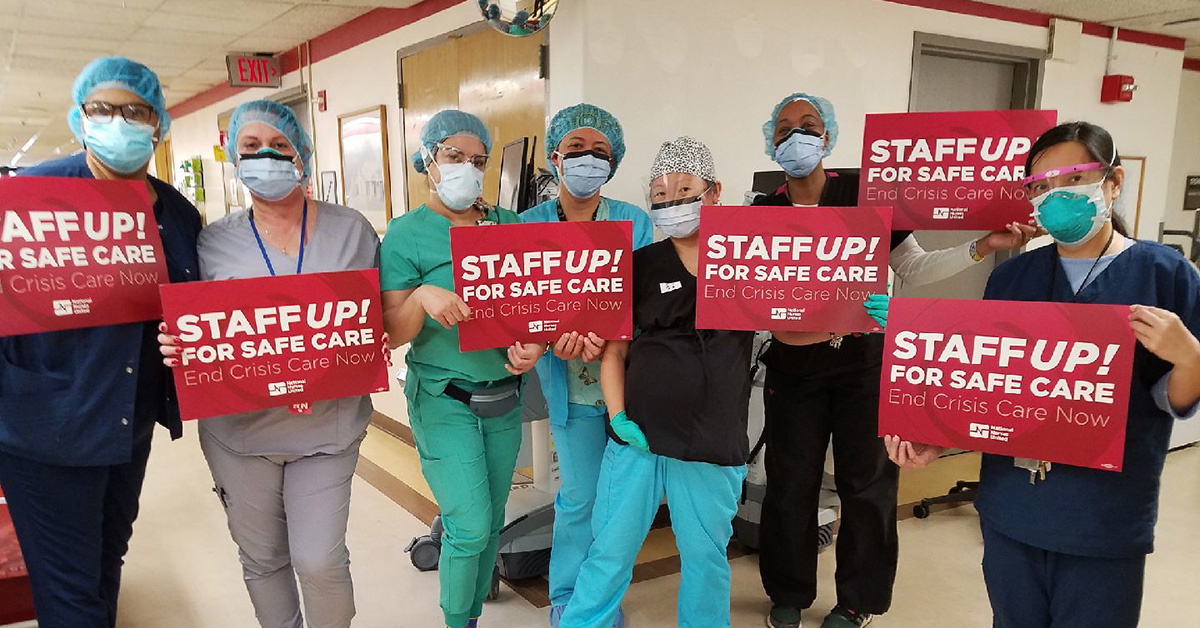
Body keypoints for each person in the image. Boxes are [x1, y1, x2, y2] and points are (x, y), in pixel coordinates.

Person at [885, 121, 1200, 628]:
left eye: (1072, 180)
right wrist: (937, 440)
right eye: (1040, 187)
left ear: (1113, 182)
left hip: (1102, 513)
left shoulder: (1163, 274)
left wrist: (1191, 358)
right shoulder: (1013, 276)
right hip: (1013, 507)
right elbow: (988, 387)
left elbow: (1170, 397)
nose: (1055, 197)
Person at [755, 92, 1040, 628]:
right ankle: (788, 592)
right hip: (793, 369)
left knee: (869, 483)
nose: (797, 137)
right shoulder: (762, 213)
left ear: (828, 134)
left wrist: (980, 246)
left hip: (864, 364)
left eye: (808, 125)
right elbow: (751, 297)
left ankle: (859, 599)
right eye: (785, 128)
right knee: (790, 483)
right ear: (771, 142)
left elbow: (912, 268)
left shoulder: (866, 195)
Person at [156, 100, 380, 628]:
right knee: (262, 560)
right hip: (239, 436)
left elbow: (379, 317)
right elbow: (194, 326)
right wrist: (178, 344)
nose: (266, 158)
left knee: (320, 558)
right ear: (233, 159)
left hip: (328, 428)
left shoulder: (353, 232)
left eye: (279, 146)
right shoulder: (211, 243)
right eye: (250, 148)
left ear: (302, 153)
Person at [0, 56, 202, 628]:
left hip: (127, 424)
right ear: (79, 118)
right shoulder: (31, 197)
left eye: (135, 110)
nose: (119, 121)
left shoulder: (178, 215)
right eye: (103, 109)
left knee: (106, 559)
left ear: (157, 121)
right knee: (68, 590)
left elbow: (190, 310)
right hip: (44, 427)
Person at [556, 136, 747, 628]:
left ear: (714, 191)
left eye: (685, 191)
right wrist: (619, 418)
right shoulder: (639, 266)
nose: (672, 204)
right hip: (638, 434)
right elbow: (615, 351)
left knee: (706, 558)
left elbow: (792, 323)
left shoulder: (748, 262)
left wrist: (847, 315)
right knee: (610, 550)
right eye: (660, 197)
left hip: (713, 439)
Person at [380, 109, 545, 628]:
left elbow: (532, 304)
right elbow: (392, 331)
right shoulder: (406, 234)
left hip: (504, 395)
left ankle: (471, 616)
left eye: (478, 160)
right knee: (469, 526)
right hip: (444, 397)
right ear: (427, 160)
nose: (467, 169)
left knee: (491, 524)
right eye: (454, 156)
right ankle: (457, 619)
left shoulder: (509, 224)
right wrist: (422, 296)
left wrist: (532, 346)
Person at [520, 103, 652, 628]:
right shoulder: (528, 224)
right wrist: (552, 339)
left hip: (625, 385)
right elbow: (521, 301)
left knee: (620, 505)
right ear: (555, 156)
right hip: (570, 388)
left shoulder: (634, 221)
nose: (587, 160)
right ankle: (568, 595)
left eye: (600, 151)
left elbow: (643, 300)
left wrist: (611, 332)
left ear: (614, 160)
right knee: (578, 497)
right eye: (575, 150)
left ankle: (602, 599)